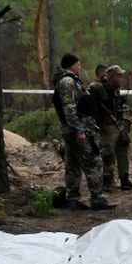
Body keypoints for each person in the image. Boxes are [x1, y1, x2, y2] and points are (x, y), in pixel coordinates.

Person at [52, 53, 115, 210]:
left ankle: (73, 199)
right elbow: (69, 108)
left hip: (73, 129)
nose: (80, 67)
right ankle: (97, 198)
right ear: (72, 65)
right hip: (77, 130)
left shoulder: (71, 81)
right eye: (78, 64)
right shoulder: (67, 82)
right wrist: (79, 130)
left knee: (73, 163)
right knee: (94, 161)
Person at [89, 65, 132, 191]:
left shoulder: (115, 89)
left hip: (118, 122)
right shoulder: (99, 87)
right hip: (106, 125)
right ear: (112, 76)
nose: (121, 78)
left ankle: (124, 179)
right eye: (119, 75)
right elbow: (89, 99)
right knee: (107, 151)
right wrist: (103, 114)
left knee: (123, 146)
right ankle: (105, 180)